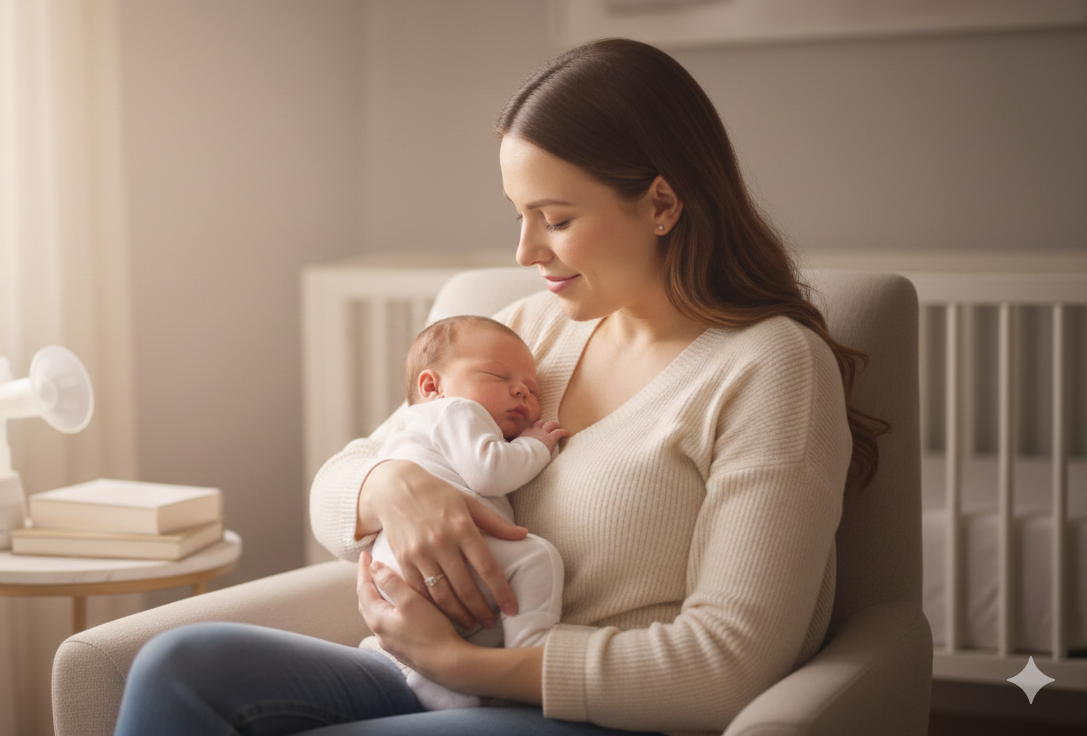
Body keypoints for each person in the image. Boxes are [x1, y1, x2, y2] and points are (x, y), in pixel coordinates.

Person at [112, 37, 886, 736]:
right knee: (179, 666)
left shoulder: (769, 368)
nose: (525, 251)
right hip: (426, 675)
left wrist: (467, 667)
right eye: (519, 214)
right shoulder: (529, 336)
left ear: (660, 202)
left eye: (553, 218)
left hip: (592, 714)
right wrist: (393, 488)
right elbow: (335, 491)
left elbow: (728, 664)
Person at [371, 314, 568, 711]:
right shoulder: (454, 411)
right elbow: (490, 472)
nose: (522, 392)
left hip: (394, 561)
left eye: (532, 389)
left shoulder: (406, 429)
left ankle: (439, 689)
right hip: (442, 550)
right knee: (536, 556)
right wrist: (536, 445)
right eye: (498, 377)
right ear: (432, 386)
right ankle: (531, 650)